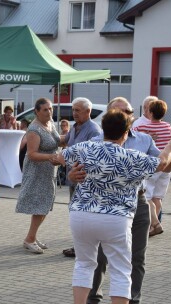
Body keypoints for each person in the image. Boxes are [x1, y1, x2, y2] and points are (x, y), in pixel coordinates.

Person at [56, 109, 171, 304]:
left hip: (81, 214)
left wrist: (73, 172)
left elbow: (60, 157)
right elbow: (161, 163)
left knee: (83, 264)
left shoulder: (85, 147)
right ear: (126, 133)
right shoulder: (130, 156)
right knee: (121, 269)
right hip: (115, 218)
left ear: (103, 130)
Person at [16, 98, 60, 254]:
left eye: (51, 109)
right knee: (40, 206)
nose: (49, 112)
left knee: (45, 205)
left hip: (48, 171)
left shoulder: (50, 124)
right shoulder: (34, 129)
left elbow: (58, 141)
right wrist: (51, 157)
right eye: (45, 110)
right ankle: (29, 239)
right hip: (37, 171)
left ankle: (32, 237)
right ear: (37, 111)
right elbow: (32, 154)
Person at [62, 97, 102, 258]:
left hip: (85, 179)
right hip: (73, 176)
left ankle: (83, 247)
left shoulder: (94, 130)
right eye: (73, 110)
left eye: (77, 110)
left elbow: (94, 156)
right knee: (75, 212)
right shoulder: (74, 127)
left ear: (88, 111)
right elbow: (66, 142)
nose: (74, 113)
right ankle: (78, 245)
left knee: (84, 214)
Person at [134, 99, 171, 237]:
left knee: (146, 197)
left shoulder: (142, 128)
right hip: (167, 165)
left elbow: (131, 137)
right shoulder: (168, 127)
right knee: (158, 198)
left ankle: (154, 224)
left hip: (153, 165)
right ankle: (153, 225)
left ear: (150, 112)